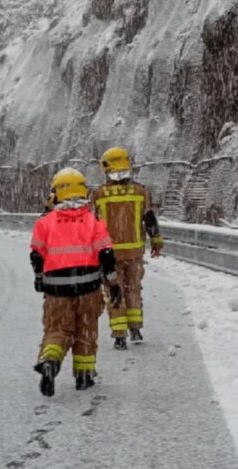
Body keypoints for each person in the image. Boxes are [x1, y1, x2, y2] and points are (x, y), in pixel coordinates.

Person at [31, 168, 121, 395]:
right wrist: (113, 283)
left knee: (57, 329)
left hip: (56, 290)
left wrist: (40, 278)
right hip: (88, 288)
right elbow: (107, 255)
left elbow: (36, 255)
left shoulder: (45, 222)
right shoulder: (93, 220)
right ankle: (84, 375)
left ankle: (50, 360)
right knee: (86, 330)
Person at [90, 147, 163, 350]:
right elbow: (149, 220)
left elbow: (92, 227)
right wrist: (156, 240)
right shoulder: (140, 192)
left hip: (108, 256)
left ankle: (119, 335)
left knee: (114, 292)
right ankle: (135, 329)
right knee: (133, 290)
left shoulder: (98, 195)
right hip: (134, 253)